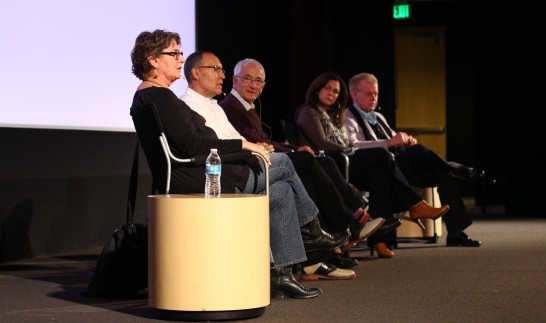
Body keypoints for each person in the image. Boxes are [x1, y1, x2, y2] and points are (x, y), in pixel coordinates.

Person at [129, 30, 346, 299]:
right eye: (174, 53)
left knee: (281, 193)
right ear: (152, 60)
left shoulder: (155, 96)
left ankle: (281, 275)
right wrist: (244, 145)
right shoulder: (159, 97)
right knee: (286, 164)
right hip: (203, 176)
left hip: (205, 169)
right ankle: (312, 232)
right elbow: (192, 145)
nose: (181, 59)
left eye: (180, 52)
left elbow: (195, 139)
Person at [180, 52, 382, 280]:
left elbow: (245, 140)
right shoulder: (193, 106)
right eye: (216, 69)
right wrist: (256, 148)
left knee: (286, 187)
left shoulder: (217, 107)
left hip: (243, 165)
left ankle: (285, 274)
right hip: (228, 174)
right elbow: (215, 145)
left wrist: (259, 147)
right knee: (298, 162)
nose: (221, 75)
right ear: (196, 73)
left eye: (258, 81)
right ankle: (319, 231)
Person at [296, 72, 450, 258]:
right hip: (335, 164)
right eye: (327, 88)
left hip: (344, 160)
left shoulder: (334, 115)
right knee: (381, 155)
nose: (332, 94)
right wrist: (349, 148)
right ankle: (415, 204)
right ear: (317, 89)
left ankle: (380, 239)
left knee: (380, 173)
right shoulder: (309, 112)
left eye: (336, 91)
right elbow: (322, 144)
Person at [345, 72, 482, 247]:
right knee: (421, 152)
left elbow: (396, 142)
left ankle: (456, 232)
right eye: (368, 94)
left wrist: (405, 143)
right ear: (354, 95)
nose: (374, 98)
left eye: (376, 93)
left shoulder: (378, 117)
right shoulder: (347, 117)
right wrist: (389, 142)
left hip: (397, 170)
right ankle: (456, 168)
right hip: (375, 172)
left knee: (441, 173)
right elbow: (354, 147)